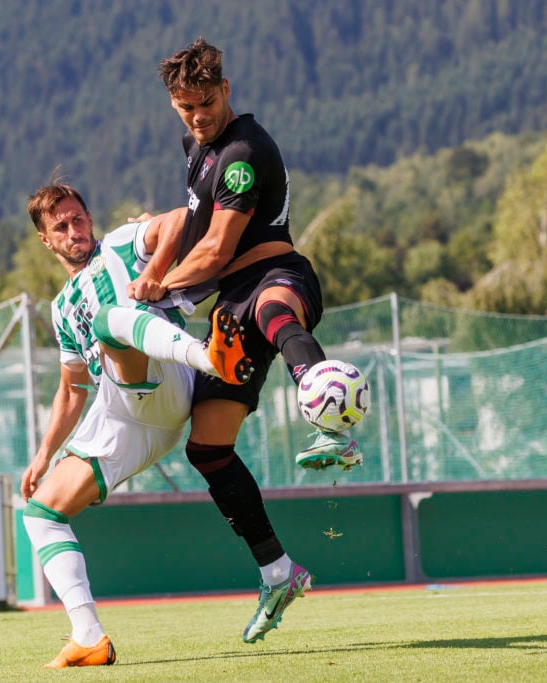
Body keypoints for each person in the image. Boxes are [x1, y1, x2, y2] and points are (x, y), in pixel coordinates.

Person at [127, 38, 364, 644]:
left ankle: (334, 425)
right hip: (230, 304)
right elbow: (191, 224)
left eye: (206, 103)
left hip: (276, 275)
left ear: (226, 91)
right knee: (207, 450)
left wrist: (156, 282)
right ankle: (278, 572)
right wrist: (147, 244)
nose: (197, 116)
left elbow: (216, 250)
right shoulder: (196, 147)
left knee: (272, 309)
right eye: (185, 107)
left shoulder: (243, 151)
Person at [20, 182, 252, 668]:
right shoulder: (62, 309)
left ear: (89, 217)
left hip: (166, 377)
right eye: (60, 226)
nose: (73, 230)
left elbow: (178, 221)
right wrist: (42, 457)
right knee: (41, 514)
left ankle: (210, 355)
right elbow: (71, 390)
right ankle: (89, 638)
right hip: (126, 413)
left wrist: (152, 270)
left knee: (109, 321)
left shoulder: (122, 243)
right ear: (46, 240)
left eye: (78, 218)